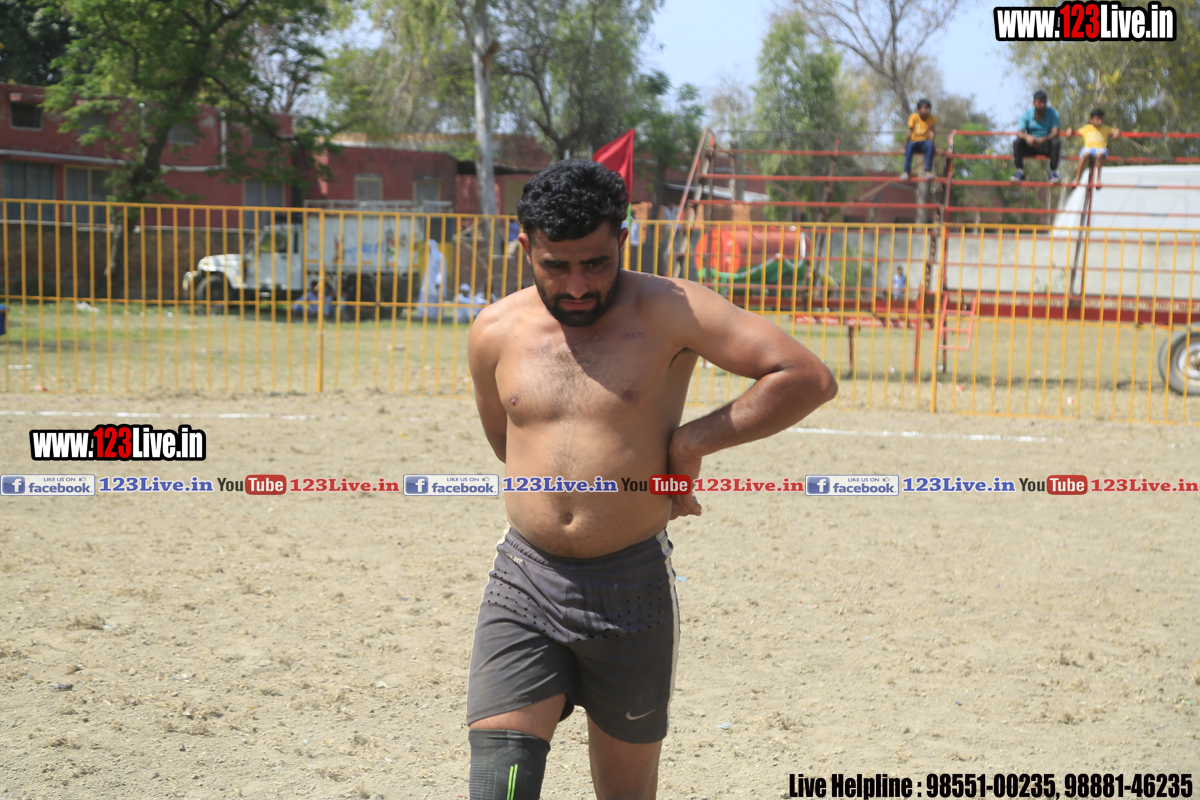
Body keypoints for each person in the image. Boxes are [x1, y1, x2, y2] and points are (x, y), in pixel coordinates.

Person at [465, 160, 837, 800]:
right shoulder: (493, 331)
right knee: (500, 785)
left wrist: (691, 441)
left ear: (623, 240)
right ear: (525, 247)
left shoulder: (671, 309)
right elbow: (509, 446)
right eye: (556, 266)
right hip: (525, 579)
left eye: (596, 263)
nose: (577, 285)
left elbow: (805, 376)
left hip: (630, 588)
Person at [1012, 90, 1062, 183]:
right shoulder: (1026, 114)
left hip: (1046, 145)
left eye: (1044, 102)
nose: (1042, 105)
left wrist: (1044, 139)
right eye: (1039, 102)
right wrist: (1027, 137)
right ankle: (1019, 172)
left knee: (1056, 142)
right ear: (1034, 103)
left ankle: (1053, 173)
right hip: (1031, 145)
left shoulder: (1053, 113)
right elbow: (1019, 133)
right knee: (1017, 142)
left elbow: (1056, 132)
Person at [1065, 109, 1120, 189]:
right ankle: (1077, 178)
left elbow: (1115, 133)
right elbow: (1076, 132)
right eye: (1097, 119)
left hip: (1101, 148)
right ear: (1091, 120)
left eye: (1102, 119)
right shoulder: (1087, 128)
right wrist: (1070, 130)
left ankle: (1098, 179)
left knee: (1099, 155)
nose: (1100, 121)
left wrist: (1117, 131)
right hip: (1088, 148)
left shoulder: (1106, 128)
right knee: (1085, 155)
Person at [901, 99, 937, 181]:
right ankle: (906, 172)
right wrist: (904, 146)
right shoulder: (913, 117)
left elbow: (932, 132)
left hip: (925, 143)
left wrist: (933, 146)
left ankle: (927, 172)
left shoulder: (932, 118)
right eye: (925, 108)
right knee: (910, 145)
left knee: (930, 145)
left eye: (929, 108)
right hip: (914, 143)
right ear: (918, 110)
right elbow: (909, 133)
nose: (928, 110)